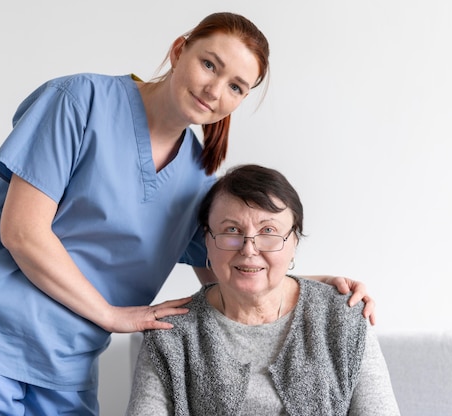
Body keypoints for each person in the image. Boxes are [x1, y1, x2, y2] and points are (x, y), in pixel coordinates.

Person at [0, 12, 375, 415]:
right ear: (180, 50)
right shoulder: (80, 100)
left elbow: (228, 274)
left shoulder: (198, 180)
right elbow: (22, 231)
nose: (214, 90)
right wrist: (112, 315)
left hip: (66, 357)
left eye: (236, 86)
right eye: (209, 64)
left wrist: (319, 287)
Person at [126, 164, 399, 416]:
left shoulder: (344, 317)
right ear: (206, 241)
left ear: (294, 240)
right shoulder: (170, 335)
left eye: (268, 230)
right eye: (231, 230)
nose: (249, 248)